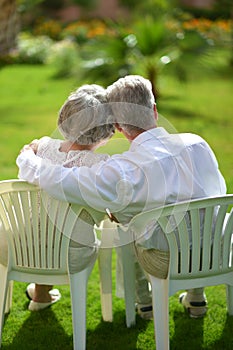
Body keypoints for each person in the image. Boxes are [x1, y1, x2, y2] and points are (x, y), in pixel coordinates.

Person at [16, 75, 226, 319]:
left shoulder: (125, 168)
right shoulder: (196, 143)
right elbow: (215, 191)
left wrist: (27, 159)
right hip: (215, 250)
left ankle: (145, 303)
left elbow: (62, 181)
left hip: (168, 261)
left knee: (132, 230)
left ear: (117, 126)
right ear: (154, 111)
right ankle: (196, 297)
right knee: (192, 216)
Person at [14, 84, 115, 311]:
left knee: (43, 226)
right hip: (70, 255)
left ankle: (41, 294)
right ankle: (41, 293)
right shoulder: (100, 166)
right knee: (63, 233)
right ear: (107, 129)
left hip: (21, 247)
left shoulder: (38, 149)